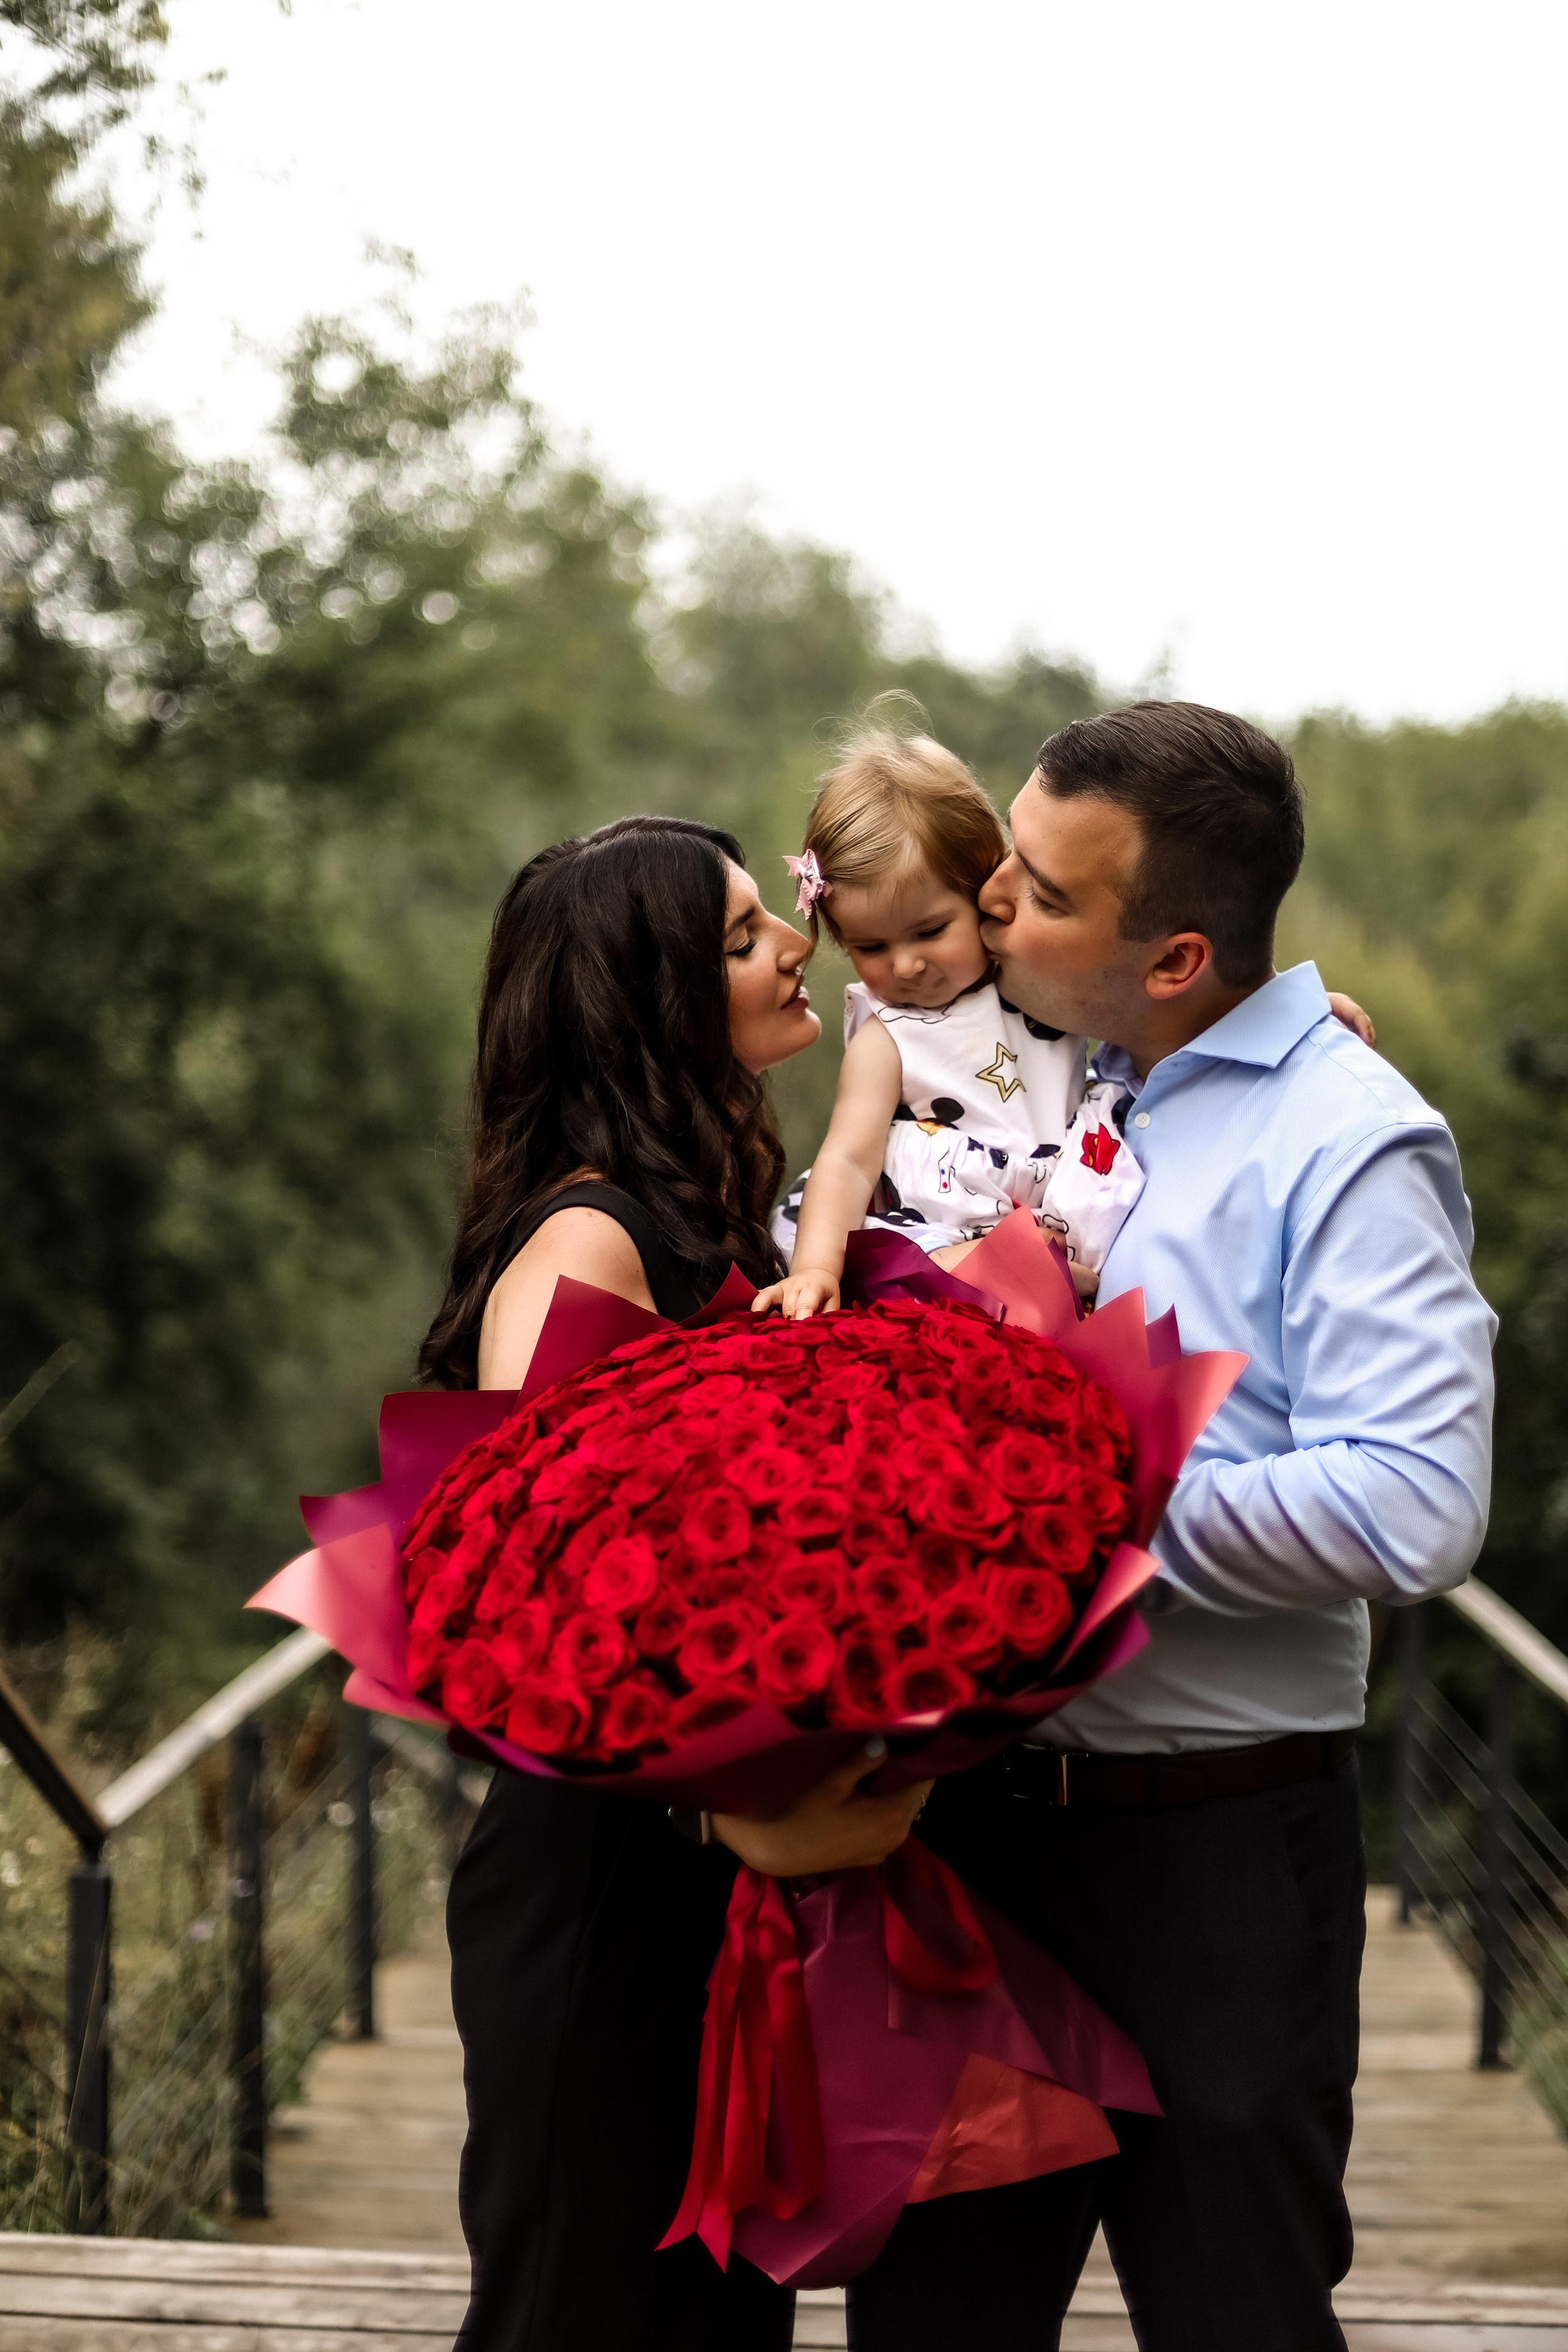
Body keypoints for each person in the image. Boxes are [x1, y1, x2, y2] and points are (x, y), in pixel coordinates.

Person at [845, 704, 1498, 2352]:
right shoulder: (1057, 1057)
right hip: (965, 1844)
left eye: (1039, 895)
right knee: (933, 2329)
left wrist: (1077, 1521)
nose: (994, 909)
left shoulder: (1346, 1137)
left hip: (1211, 1851)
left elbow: (1418, 1500)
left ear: (1179, 953)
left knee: (1235, 2319)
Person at [422, 816, 932, 2352]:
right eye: (736, 937)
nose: (797, 943)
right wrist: (730, 1804)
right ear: (641, 999)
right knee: (579, 2308)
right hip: (600, 1892)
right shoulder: (587, 1240)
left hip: (711, 1880)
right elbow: (530, 1615)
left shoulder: (722, 1213)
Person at [761, 714, 1374, 1316]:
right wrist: (817, 1268)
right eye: (871, 947)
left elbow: (1175, 990)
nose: (908, 966)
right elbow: (846, 1158)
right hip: (940, 1221)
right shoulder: (889, 1036)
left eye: (930, 931)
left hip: (1055, 1208)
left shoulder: (1032, 982)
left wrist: (1275, 1012)